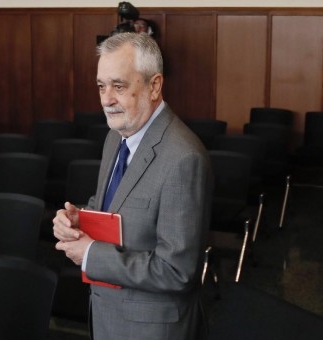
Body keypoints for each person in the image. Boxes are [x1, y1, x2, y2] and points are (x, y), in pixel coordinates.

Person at [53, 33, 212, 339]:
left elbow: (177, 270)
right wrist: (78, 219)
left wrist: (90, 255)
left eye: (119, 86)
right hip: (109, 314)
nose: (106, 99)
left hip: (150, 328)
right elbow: (113, 206)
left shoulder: (184, 158)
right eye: (101, 86)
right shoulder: (116, 136)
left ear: (154, 86)